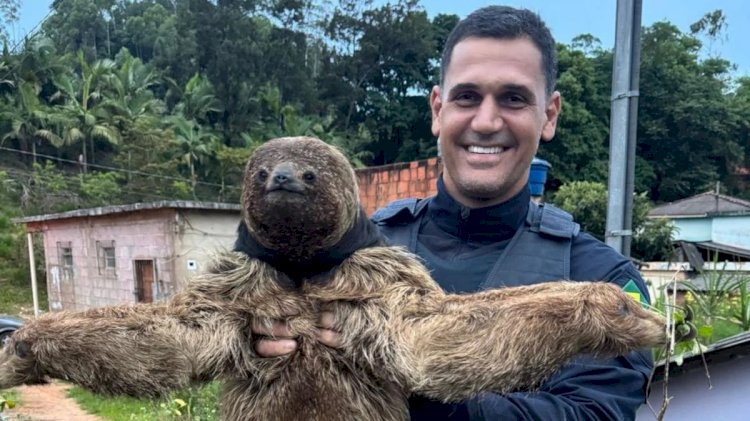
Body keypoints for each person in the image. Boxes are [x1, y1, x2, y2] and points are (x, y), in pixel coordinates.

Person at [253, 5, 653, 420]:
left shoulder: (602, 278)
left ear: (548, 115)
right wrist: (263, 343)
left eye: (513, 98)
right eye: (467, 97)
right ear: (437, 109)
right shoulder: (351, 250)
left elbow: (597, 412)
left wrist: (430, 389)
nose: (485, 121)